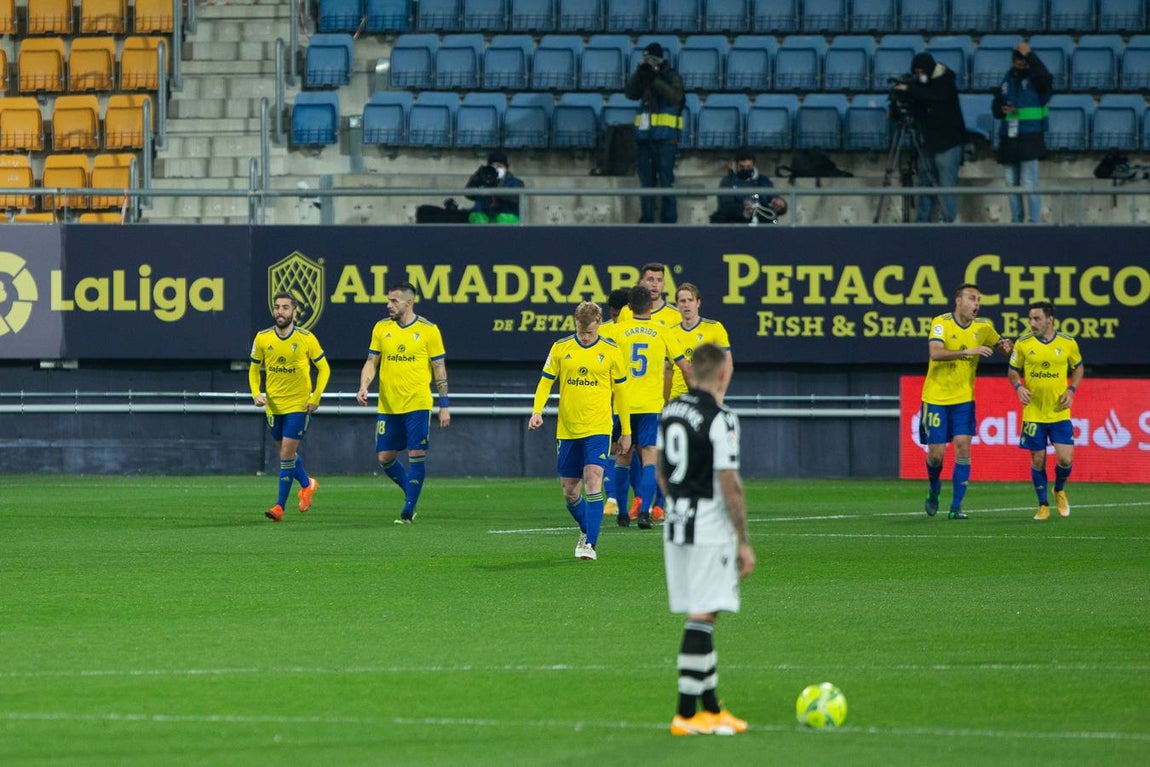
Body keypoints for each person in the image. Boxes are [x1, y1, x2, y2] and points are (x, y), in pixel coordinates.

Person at [657, 343, 754, 737]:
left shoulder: (671, 410)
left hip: (677, 523)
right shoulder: (722, 417)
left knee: (703, 612)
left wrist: (678, 504)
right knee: (704, 615)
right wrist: (743, 540)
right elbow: (729, 483)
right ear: (721, 373)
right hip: (709, 527)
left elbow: (662, 472)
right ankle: (685, 714)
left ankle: (712, 709)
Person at [528, 301, 631, 561]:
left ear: (599, 323)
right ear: (575, 323)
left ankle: (590, 545)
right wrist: (537, 410)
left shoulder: (610, 350)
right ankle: (587, 529)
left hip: (598, 427)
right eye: (581, 331)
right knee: (570, 491)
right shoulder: (561, 348)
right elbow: (545, 381)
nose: (585, 337)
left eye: (590, 332)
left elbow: (621, 393)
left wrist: (626, 431)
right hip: (568, 429)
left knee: (593, 479)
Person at [356, 281, 451, 524]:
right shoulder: (381, 328)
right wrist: (364, 386)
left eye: (394, 301)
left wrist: (444, 404)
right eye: (388, 301)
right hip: (388, 406)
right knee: (384, 458)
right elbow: (371, 362)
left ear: (409, 303)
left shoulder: (429, 330)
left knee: (416, 454)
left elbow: (439, 369)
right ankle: (411, 493)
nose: (389, 305)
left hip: (417, 404)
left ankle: (408, 510)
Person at [921, 284, 1013, 519]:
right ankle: (934, 488)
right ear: (958, 301)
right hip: (936, 397)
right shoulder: (941, 322)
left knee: (963, 446)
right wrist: (968, 352)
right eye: (972, 299)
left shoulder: (984, 327)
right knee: (936, 455)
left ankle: (956, 507)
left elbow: (1004, 349)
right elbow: (936, 353)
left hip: (963, 399)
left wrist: (1008, 347)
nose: (976, 304)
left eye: (979, 300)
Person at [248, 291, 331, 522]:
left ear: (294, 312)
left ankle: (279, 507)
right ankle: (307, 484)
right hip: (273, 407)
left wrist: (316, 397)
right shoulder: (263, 338)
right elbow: (254, 369)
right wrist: (256, 394)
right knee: (287, 453)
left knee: (286, 456)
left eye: (285, 307)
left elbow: (324, 368)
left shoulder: (306, 338)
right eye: (277, 307)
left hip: (298, 406)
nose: (280, 311)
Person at [613, 285, 690, 530]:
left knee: (622, 458)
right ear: (651, 306)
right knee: (649, 459)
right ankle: (645, 511)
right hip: (650, 405)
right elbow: (684, 367)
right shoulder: (663, 331)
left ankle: (623, 513)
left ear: (629, 307)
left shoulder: (618, 332)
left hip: (622, 406)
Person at [1007, 301, 1083, 521]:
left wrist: (1071, 389)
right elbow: (1012, 371)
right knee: (1037, 459)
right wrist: (1018, 386)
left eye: (1037, 318)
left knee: (1065, 460)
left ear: (1050, 319)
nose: (1032, 323)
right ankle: (1042, 505)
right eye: (1030, 319)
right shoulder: (1023, 344)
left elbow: (1078, 367)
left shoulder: (1068, 343)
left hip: (1059, 412)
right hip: (1033, 413)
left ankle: (1058, 489)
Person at [893, 52, 966, 223]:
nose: (919, 76)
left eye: (921, 72)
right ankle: (922, 220)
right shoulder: (919, 86)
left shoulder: (946, 80)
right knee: (925, 183)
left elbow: (935, 96)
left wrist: (909, 89)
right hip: (927, 142)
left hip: (948, 142)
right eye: (916, 73)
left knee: (947, 184)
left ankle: (947, 220)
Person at [992, 43, 1053, 224]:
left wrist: (1031, 56)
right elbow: (996, 109)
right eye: (1017, 62)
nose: (1020, 65)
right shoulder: (1006, 80)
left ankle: (1033, 221)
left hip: (1030, 138)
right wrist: (1002, 109)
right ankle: (1016, 220)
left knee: (1029, 183)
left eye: (1023, 61)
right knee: (1011, 184)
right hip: (1009, 139)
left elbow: (1047, 78)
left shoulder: (1037, 80)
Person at [625, 42, 685, 224]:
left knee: (667, 182)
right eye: (646, 59)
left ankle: (669, 220)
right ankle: (647, 219)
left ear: (660, 59)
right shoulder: (644, 78)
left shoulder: (672, 76)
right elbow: (630, 93)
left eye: (651, 59)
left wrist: (655, 80)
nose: (648, 62)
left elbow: (675, 97)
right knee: (646, 184)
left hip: (666, 140)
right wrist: (640, 74)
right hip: (645, 140)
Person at [600, 287, 633, 518]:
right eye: (611, 313)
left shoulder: (615, 332)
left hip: (630, 400)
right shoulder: (603, 330)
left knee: (632, 451)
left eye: (616, 313)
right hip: (615, 400)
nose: (614, 317)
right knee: (614, 448)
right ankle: (613, 498)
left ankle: (639, 501)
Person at [668, 283, 732, 400]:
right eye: (682, 301)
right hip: (678, 396)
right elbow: (666, 369)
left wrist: (720, 393)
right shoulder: (670, 333)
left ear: (698, 303)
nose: (686, 305)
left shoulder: (715, 328)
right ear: (677, 305)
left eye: (690, 300)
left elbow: (727, 364)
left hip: (706, 395)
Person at [710, 149, 788, 224]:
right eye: (742, 166)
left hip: (760, 219)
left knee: (773, 220)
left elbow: (773, 199)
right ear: (736, 165)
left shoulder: (763, 180)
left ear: (753, 165)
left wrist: (780, 204)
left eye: (748, 167)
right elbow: (725, 206)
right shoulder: (728, 182)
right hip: (738, 221)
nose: (745, 169)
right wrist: (744, 210)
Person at [466, 150, 525, 224]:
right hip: (481, 223)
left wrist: (495, 190)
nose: (497, 168)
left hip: (506, 225)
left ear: (506, 168)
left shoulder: (516, 183)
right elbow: (468, 194)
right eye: (494, 166)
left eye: (500, 166)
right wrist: (476, 176)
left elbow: (516, 199)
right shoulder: (482, 181)